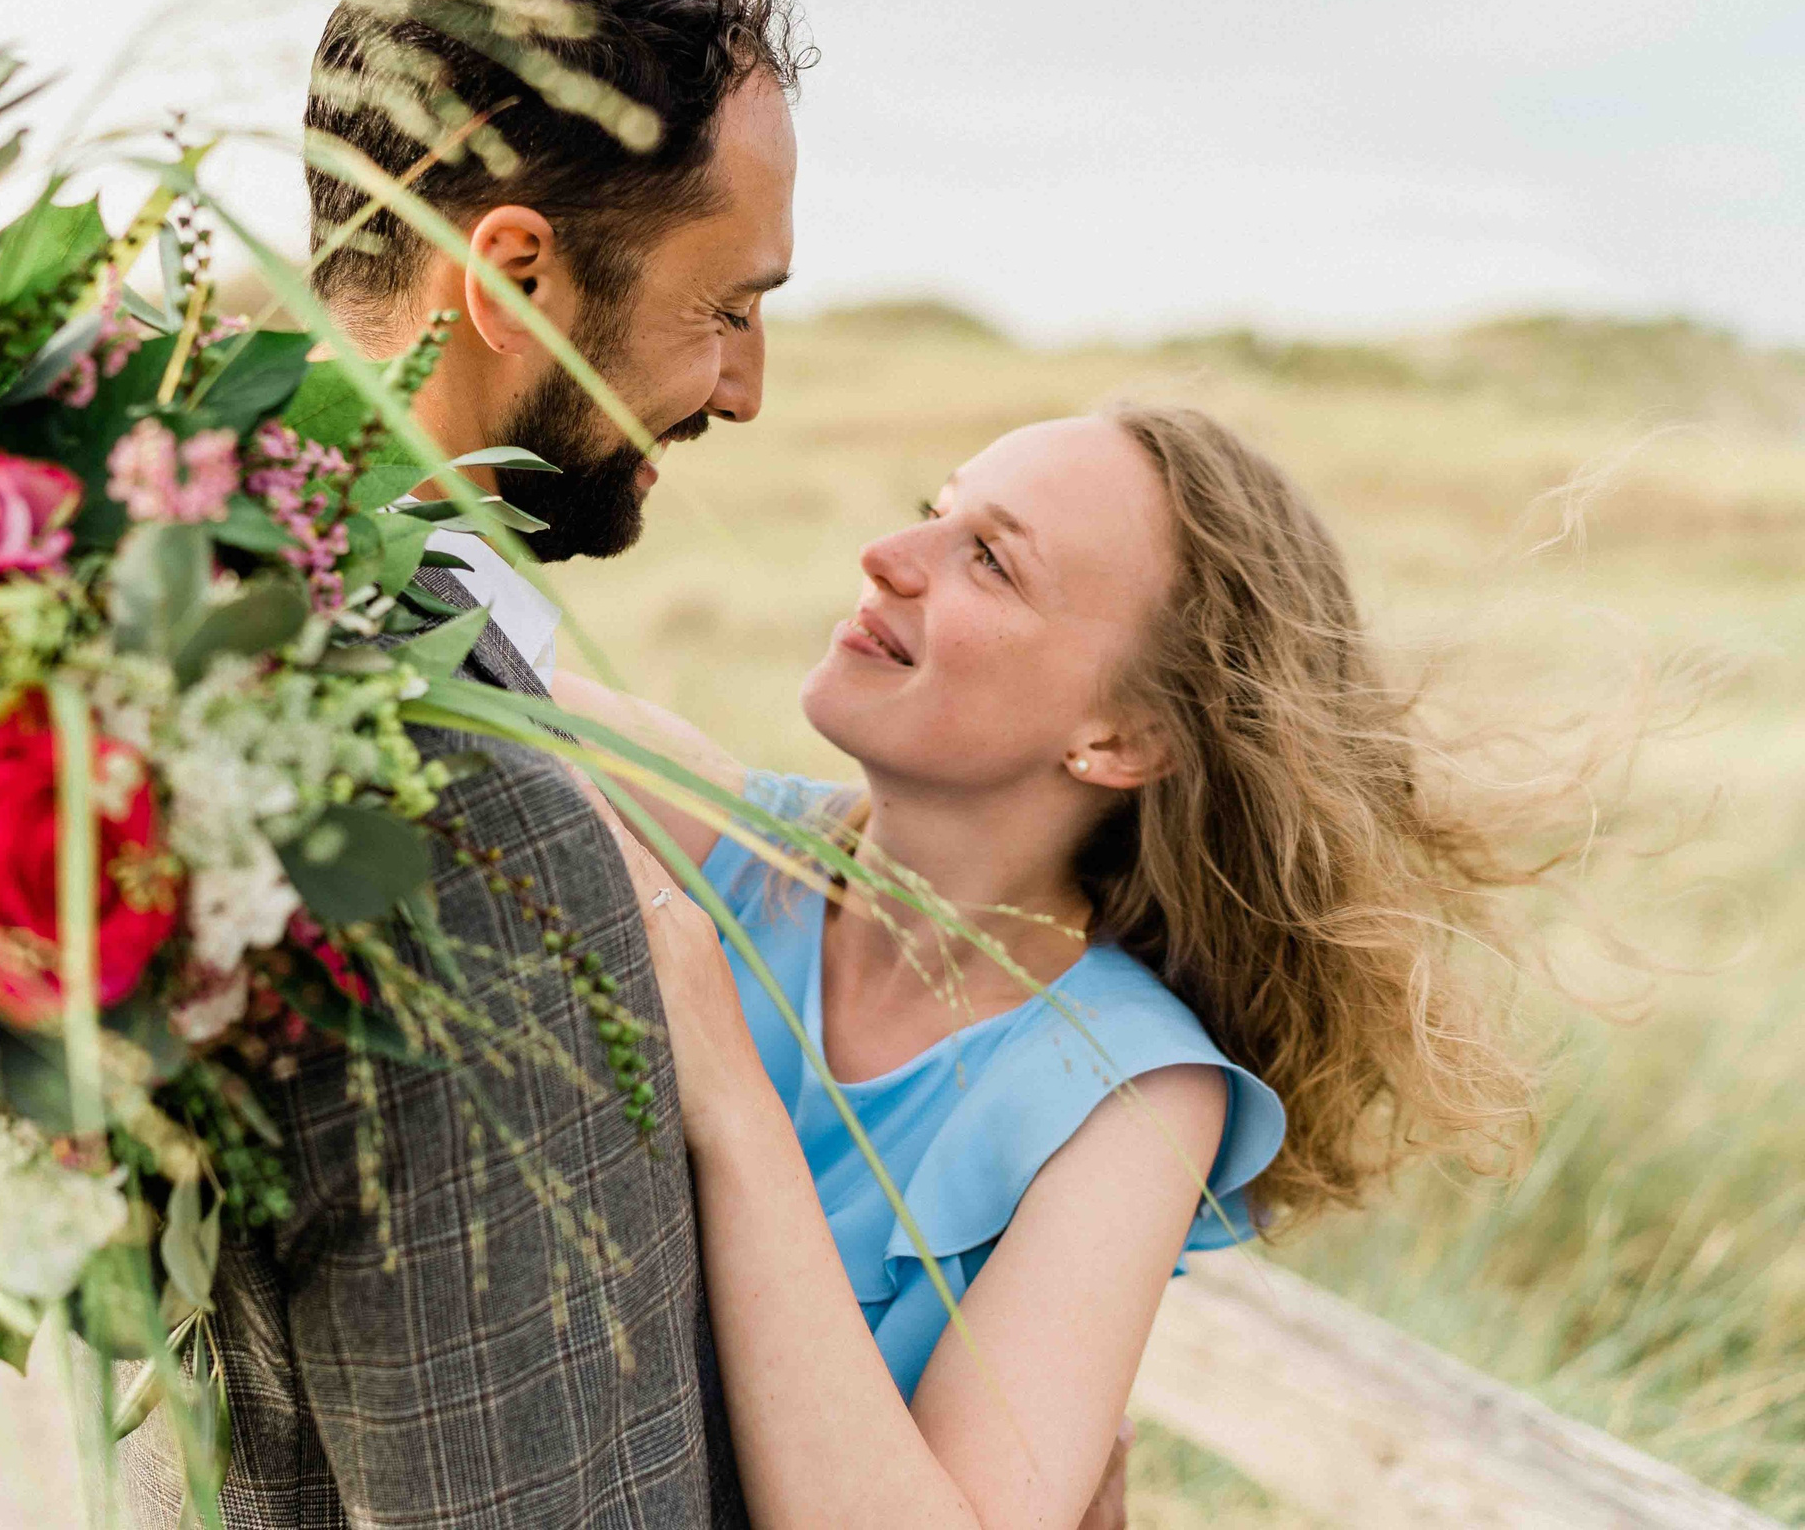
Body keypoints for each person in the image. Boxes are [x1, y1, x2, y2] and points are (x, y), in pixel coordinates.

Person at [130, 0, 806, 1527]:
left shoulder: (185, 638)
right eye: (727, 307)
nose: (747, 388)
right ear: (510, 277)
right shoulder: (474, 817)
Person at [562, 405, 1549, 1529]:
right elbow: (381, 621)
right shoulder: (713, 838)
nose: (885, 559)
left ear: (1122, 738)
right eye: (934, 514)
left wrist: (730, 1105)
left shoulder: (1124, 1096)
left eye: (989, 559)